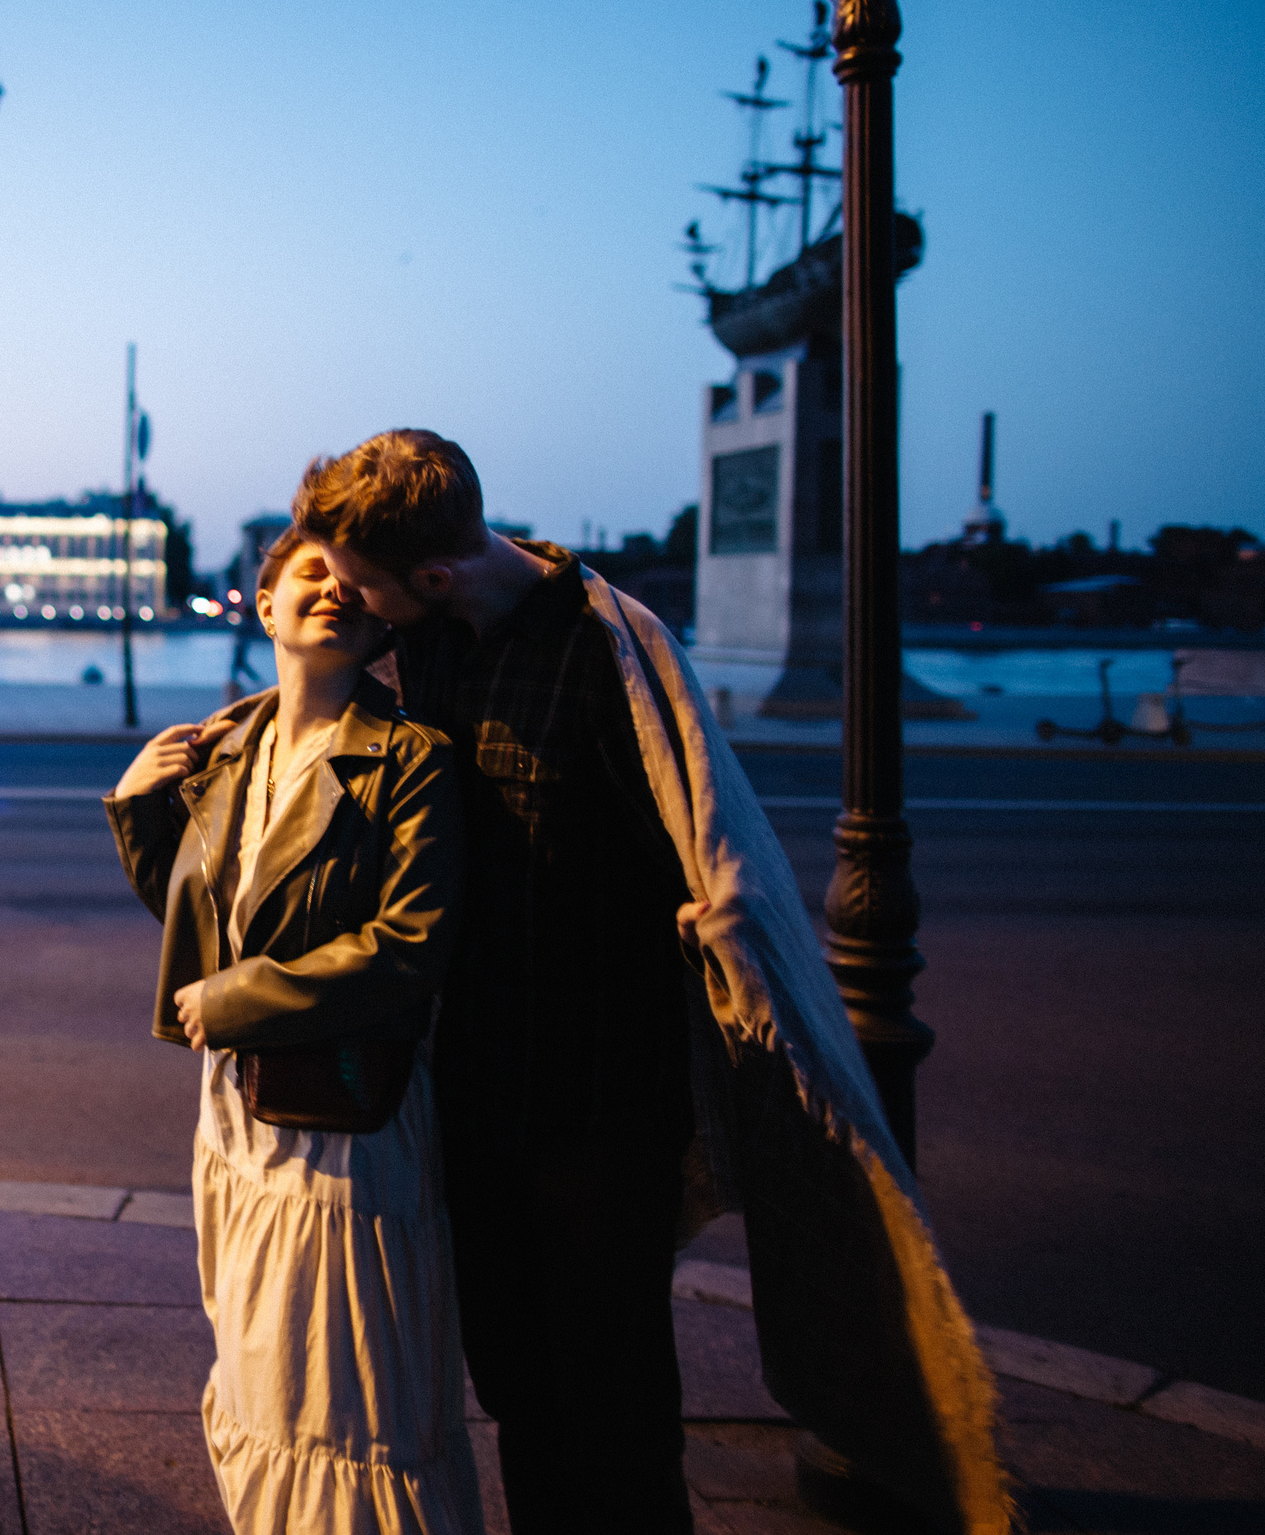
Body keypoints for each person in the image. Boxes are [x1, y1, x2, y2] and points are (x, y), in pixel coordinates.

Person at [288, 429, 1008, 1535]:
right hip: (475, 1085)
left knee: (613, 1390)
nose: (353, 603)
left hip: (601, 1100)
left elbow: (707, 847)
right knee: (516, 1378)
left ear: (432, 575)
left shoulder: (607, 651)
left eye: (364, 586)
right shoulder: (424, 640)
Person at [106, 529, 484, 1535]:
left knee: (345, 1394)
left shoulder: (409, 758)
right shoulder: (234, 748)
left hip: (344, 1121)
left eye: (354, 581)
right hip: (238, 1116)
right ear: (264, 604)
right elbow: (213, 926)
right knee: (262, 1375)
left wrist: (237, 1003)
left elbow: (411, 945)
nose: (332, 592)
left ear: (383, 621)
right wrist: (138, 804)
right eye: (309, 574)